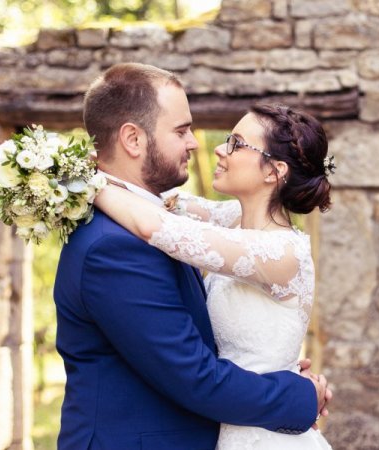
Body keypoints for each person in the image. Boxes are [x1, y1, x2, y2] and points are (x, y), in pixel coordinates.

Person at [53, 62, 331, 450]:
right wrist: (297, 394)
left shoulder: (268, 243)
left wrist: (275, 367)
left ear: (274, 171)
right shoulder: (113, 245)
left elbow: (169, 228)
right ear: (132, 140)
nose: (200, 144)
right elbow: (194, 376)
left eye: (235, 144)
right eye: (181, 130)